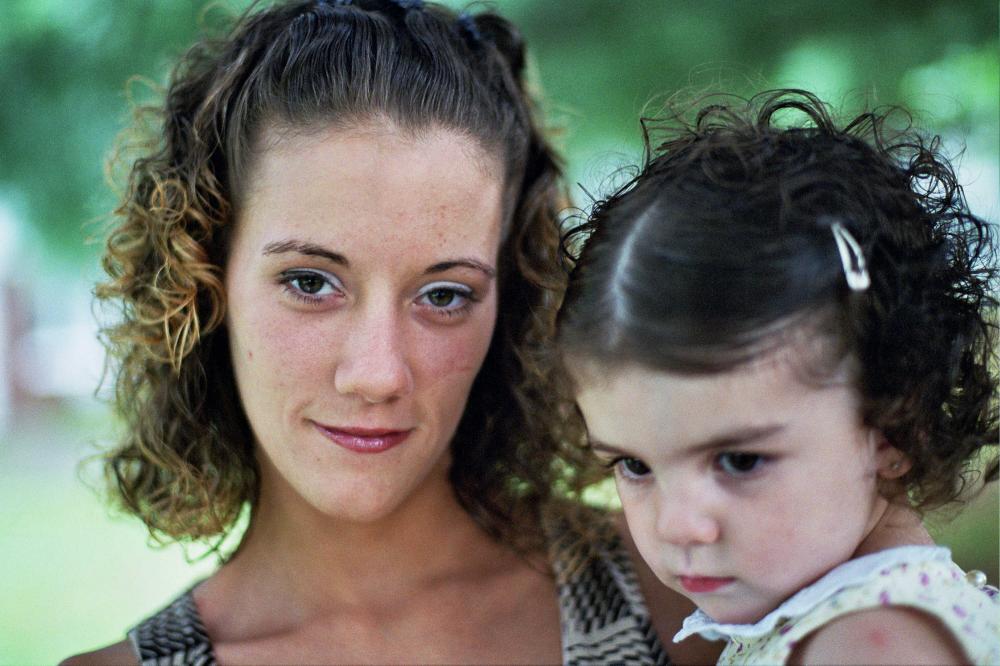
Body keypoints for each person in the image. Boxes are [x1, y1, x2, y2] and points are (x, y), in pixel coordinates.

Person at [65, 1, 720, 664]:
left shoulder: (693, 601)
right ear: (205, 278)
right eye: (310, 283)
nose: (378, 375)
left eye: (444, 296)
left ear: (512, 300)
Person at [556, 89, 1000, 664]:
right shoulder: (841, 621)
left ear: (895, 428)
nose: (678, 525)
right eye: (634, 466)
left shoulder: (869, 646)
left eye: (740, 460)